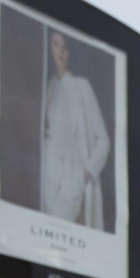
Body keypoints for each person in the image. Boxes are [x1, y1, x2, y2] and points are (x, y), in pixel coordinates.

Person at [39, 28, 110, 228]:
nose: (61, 52)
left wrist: (84, 175)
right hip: (49, 174)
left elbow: (103, 140)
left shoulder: (81, 87)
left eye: (65, 47)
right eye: (56, 45)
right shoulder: (48, 88)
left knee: (60, 229)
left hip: (73, 176)